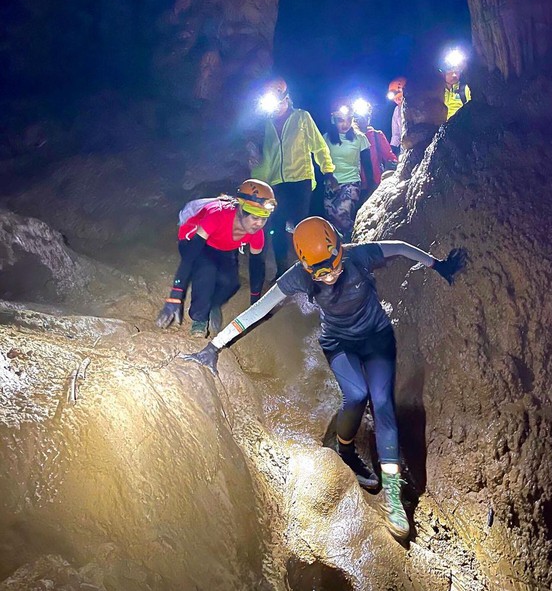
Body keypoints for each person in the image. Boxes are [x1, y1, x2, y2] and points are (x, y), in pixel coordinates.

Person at [184, 216, 467, 540]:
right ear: (307, 268)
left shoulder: (357, 255)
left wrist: (438, 265)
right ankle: (344, 449)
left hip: (376, 337)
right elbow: (258, 311)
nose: (331, 275)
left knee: (384, 403)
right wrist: (213, 347)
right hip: (339, 343)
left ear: (339, 252)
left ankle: (393, 496)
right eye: (321, 273)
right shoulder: (297, 278)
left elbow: (400, 248)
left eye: (334, 266)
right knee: (357, 396)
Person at [156, 179, 276, 337]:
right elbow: (190, 257)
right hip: (193, 240)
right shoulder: (217, 214)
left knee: (231, 283)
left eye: (264, 218)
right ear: (241, 208)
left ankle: (212, 305)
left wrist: (256, 302)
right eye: (255, 218)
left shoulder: (257, 234)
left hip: (223, 245)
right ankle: (199, 319)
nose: (259, 224)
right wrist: (175, 295)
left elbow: (256, 266)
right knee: (207, 270)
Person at [251, 78, 338, 279]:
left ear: (286, 98)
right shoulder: (268, 125)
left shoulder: (301, 118)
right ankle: (283, 271)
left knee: (301, 225)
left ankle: (308, 269)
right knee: (277, 225)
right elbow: (268, 159)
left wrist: (328, 171)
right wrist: (257, 181)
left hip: (301, 179)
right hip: (276, 183)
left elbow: (319, 145)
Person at [322, 100, 375, 242]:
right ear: (333, 120)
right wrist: (329, 177)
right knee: (331, 218)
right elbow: (321, 161)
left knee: (342, 214)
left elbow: (367, 165)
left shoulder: (360, 138)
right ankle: (340, 250)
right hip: (331, 184)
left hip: (351, 182)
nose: (345, 124)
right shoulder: (326, 138)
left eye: (348, 120)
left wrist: (370, 186)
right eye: (340, 120)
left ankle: (358, 240)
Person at [353, 99, 397, 192]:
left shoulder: (377, 135)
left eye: (366, 116)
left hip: (375, 184)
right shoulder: (350, 138)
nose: (364, 119)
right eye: (360, 117)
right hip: (354, 185)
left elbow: (390, 157)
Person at [440, 49, 471, 120]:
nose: (454, 75)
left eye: (457, 72)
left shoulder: (465, 89)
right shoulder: (438, 90)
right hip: (441, 128)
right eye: (450, 72)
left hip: (460, 127)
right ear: (443, 74)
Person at [386, 77, 406, 156]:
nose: (397, 100)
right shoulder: (397, 110)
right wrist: (392, 150)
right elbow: (396, 134)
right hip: (404, 149)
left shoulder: (417, 107)